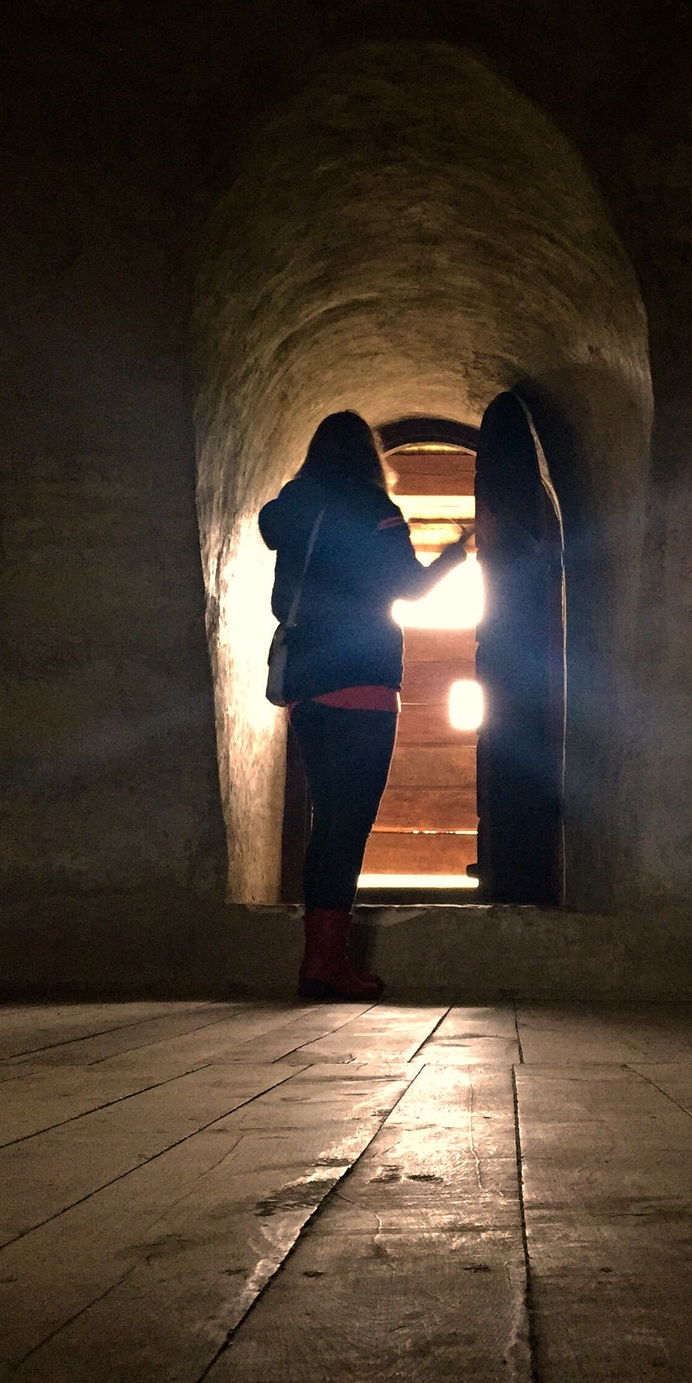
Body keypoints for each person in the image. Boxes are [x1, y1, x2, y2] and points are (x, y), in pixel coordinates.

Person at [259, 411, 472, 1000]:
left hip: (306, 684)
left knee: (324, 825)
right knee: (345, 828)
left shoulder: (294, 509)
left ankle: (319, 962)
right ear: (365, 458)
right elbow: (410, 587)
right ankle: (327, 966)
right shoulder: (373, 511)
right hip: (363, 685)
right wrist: (458, 552)